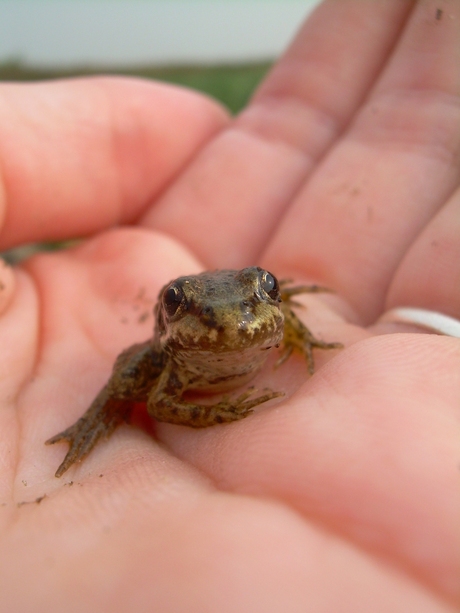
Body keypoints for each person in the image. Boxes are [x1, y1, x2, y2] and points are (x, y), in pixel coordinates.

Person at [0, 0, 459, 610]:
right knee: (127, 377)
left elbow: (272, 310)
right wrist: (223, 411)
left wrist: (295, 333)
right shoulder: (172, 367)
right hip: (169, 364)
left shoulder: (270, 314)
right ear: (174, 315)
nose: (233, 321)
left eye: (264, 296)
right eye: (186, 308)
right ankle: (94, 417)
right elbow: (164, 407)